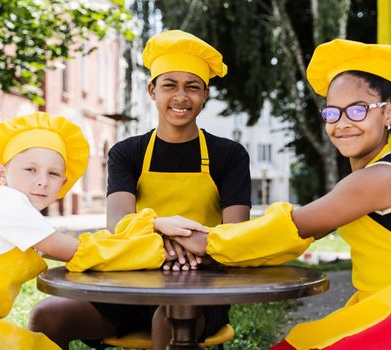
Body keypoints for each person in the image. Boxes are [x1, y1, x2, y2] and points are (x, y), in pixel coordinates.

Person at [171, 39, 391, 349]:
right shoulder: (370, 174)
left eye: (358, 110)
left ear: (389, 113)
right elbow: (299, 229)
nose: (343, 124)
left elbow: (296, 226)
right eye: (333, 113)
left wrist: (206, 243)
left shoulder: (380, 178)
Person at [29, 29, 251, 350]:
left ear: (205, 94)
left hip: (200, 288)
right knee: (47, 316)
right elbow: (118, 225)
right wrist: (172, 243)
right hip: (129, 285)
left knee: (170, 319)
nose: (180, 96)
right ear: (152, 90)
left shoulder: (228, 155)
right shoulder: (127, 152)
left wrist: (187, 255)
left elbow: (235, 235)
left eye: (192, 87)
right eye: (169, 85)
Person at [0, 112, 172, 350]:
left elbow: (87, 248)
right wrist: (154, 242)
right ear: (1, 173)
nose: (42, 181)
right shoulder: (10, 208)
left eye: (54, 173)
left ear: (64, 183)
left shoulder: (19, 212)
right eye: (30, 169)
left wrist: (146, 227)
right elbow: (80, 252)